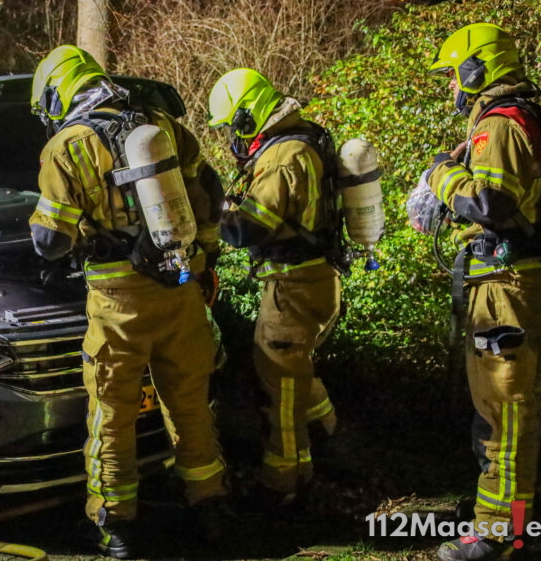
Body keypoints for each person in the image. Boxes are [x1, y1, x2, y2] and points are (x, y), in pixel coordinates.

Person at [27, 45, 228, 558]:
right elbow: (209, 191)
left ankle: (115, 526)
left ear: (57, 93)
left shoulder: (67, 147)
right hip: (181, 290)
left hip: (118, 306)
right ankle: (211, 507)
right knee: (188, 403)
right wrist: (205, 261)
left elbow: (51, 242)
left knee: (111, 415)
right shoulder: (161, 125)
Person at [422, 22, 541, 561]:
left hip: (505, 288)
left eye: (454, 74)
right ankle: (506, 517)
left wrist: (442, 177)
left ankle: (498, 533)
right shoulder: (519, 118)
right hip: (514, 284)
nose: (452, 86)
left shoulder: (497, 126)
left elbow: (493, 205)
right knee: (509, 410)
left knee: (503, 410)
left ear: (477, 71)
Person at [207, 68, 341, 507]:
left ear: (248, 115)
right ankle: (329, 441)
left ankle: (281, 485)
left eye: (232, 123)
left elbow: (249, 228)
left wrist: (213, 214)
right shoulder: (299, 140)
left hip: (293, 285)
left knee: (277, 388)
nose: (231, 134)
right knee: (296, 372)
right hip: (313, 279)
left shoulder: (283, 156)